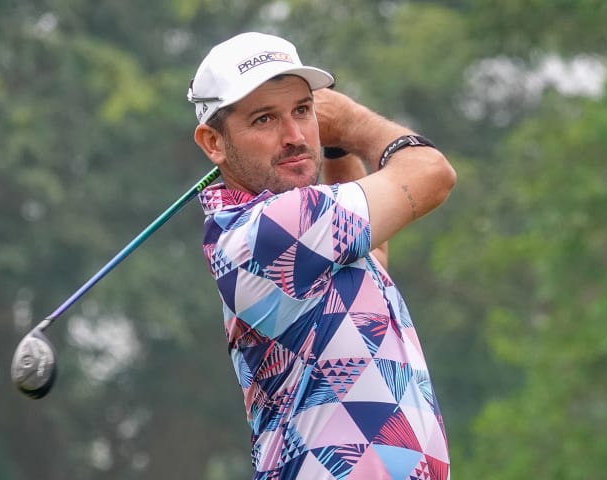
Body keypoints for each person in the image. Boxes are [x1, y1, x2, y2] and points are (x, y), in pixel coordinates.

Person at [188, 32, 456, 480]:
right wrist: (350, 122)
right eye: (264, 120)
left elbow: (370, 260)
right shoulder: (272, 231)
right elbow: (432, 174)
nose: (294, 136)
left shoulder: (303, 235)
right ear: (213, 143)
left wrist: (333, 147)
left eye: (302, 110)